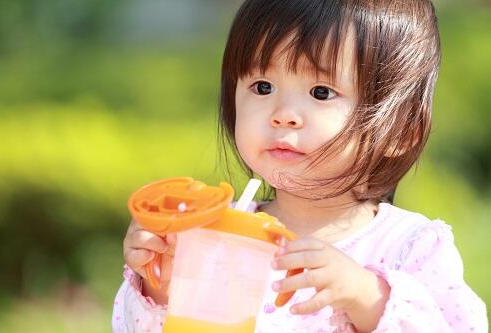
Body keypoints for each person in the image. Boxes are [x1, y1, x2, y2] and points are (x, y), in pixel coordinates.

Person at [112, 0, 488, 332]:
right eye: (262, 87)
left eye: (321, 92)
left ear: (401, 131)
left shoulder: (410, 247)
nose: (283, 115)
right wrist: (160, 283)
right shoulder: (216, 234)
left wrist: (367, 299)